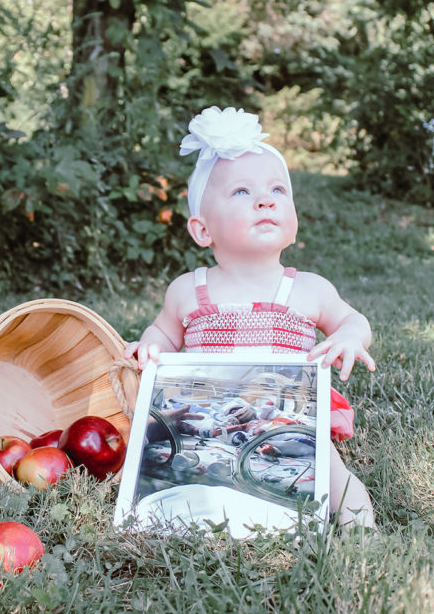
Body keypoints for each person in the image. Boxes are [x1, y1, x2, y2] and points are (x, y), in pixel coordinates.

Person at [124, 106, 377, 529]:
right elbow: (163, 334)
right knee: (182, 464)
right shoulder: (189, 290)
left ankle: (361, 530)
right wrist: (149, 347)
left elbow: (353, 321)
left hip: (290, 415)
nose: (265, 199)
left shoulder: (307, 289)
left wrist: (349, 338)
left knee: (332, 474)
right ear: (203, 231)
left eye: (278, 190)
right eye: (241, 192)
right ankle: (177, 515)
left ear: (293, 222)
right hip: (213, 418)